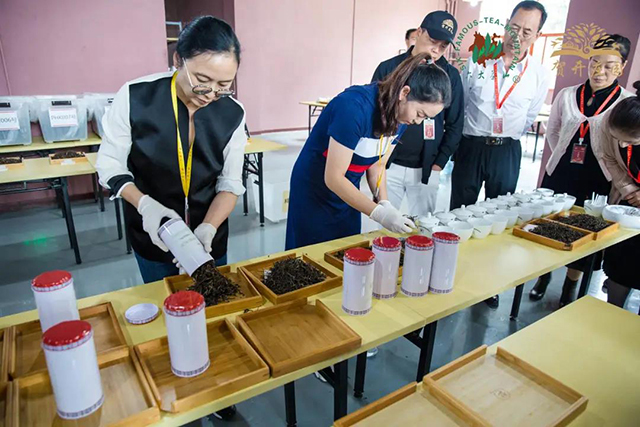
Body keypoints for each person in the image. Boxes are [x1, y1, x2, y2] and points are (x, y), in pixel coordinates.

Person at [96, 17, 245, 286]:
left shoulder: (233, 113)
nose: (210, 93)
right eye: (202, 79)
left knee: (213, 308)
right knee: (166, 306)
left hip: (208, 241)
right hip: (153, 235)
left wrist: (209, 226)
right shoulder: (135, 97)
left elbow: (230, 183)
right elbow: (110, 165)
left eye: (224, 85)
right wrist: (145, 205)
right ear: (178, 60)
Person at [285, 53, 452, 251]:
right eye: (420, 114)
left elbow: (378, 163)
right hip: (315, 190)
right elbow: (333, 178)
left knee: (346, 251)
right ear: (404, 93)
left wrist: (384, 202)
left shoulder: (400, 115)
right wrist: (379, 214)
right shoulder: (353, 107)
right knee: (312, 254)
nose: (418, 121)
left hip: (349, 191)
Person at [452, 0, 551, 309]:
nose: (517, 36)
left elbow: (530, 114)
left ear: (536, 36)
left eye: (527, 31)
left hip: (506, 151)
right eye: (514, 27)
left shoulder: (538, 74)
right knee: (459, 213)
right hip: (471, 146)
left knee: (499, 218)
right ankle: (453, 275)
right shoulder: (478, 61)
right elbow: (462, 103)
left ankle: (488, 284)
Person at [530, 35, 633, 306]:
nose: (600, 71)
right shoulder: (567, 94)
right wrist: (565, 153)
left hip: (598, 179)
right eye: (595, 63)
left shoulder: (626, 102)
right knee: (549, 225)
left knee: (584, 234)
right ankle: (543, 277)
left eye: (609, 66)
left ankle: (570, 286)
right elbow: (553, 131)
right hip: (562, 173)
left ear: (622, 67)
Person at [372, 11, 463, 216]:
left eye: (443, 46)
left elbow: (455, 122)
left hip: (427, 167)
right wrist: (376, 160)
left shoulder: (450, 76)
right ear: (419, 33)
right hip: (388, 163)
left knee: (423, 226)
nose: (436, 50)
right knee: (384, 223)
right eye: (432, 41)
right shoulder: (389, 68)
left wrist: (440, 162)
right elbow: (374, 114)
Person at [599, 81, 640, 312]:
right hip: (628, 201)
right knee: (620, 261)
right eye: (619, 139)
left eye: (631, 142)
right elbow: (609, 158)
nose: (622, 145)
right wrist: (628, 189)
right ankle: (611, 311)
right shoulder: (611, 120)